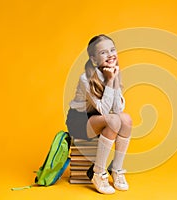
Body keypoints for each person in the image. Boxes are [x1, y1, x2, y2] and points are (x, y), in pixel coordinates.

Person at [66, 34, 132, 194]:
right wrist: (110, 81)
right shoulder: (86, 78)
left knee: (126, 119)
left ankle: (116, 169)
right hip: (80, 121)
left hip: (98, 118)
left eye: (112, 50)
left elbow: (117, 110)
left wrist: (114, 80)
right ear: (94, 59)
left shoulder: (114, 72)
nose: (110, 55)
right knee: (113, 121)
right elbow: (103, 109)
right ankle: (98, 172)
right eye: (103, 52)